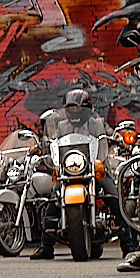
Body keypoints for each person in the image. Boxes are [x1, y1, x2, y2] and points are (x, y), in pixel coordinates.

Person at [41, 87, 113, 262]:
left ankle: (128, 245)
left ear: (87, 109)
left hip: (94, 170)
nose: (74, 111)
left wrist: (114, 137)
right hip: (69, 172)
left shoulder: (97, 123)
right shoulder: (62, 126)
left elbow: (108, 135)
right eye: (71, 108)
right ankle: (46, 247)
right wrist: (46, 147)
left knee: (113, 195)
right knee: (53, 201)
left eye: (78, 108)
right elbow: (54, 143)